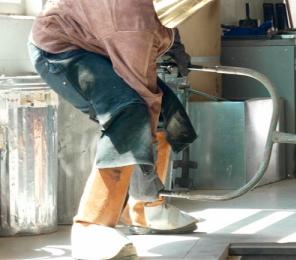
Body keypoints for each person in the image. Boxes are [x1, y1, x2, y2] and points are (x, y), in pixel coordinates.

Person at [28, 0, 211, 258]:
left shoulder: (146, 14)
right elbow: (142, 97)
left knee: (167, 114)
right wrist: (147, 175)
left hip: (98, 43)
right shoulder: (132, 20)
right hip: (59, 50)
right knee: (129, 115)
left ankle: (146, 209)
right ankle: (91, 226)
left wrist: (172, 41)